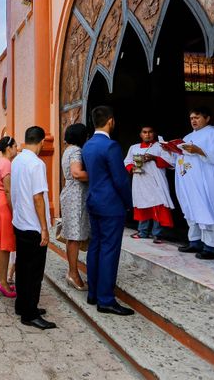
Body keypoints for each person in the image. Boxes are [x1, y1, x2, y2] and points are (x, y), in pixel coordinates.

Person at [168, 107, 214, 259]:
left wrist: (200, 151)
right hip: (191, 181)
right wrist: (173, 152)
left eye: (197, 117)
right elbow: (184, 159)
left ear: (207, 119)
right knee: (194, 211)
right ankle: (196, 241)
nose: (193, 120)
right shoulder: (188, 136)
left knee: (212, 211)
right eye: (191, 118)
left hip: (210, 182)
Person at [82, 106, 134, 316]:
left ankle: (93, 292)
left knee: (96, 246)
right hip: (110, 204)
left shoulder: (87, 145)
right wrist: (129, 202)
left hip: (94, 201)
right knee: (109, 250)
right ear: (110, 121)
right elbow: (120, 179)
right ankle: (105, 299)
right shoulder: (110, 146)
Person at [11, 126, 56, 330]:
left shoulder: (18, 160)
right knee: (34, 272)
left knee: (23, 267)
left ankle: (23, 305)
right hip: (33, 225)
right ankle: (30, 313)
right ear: (41, 142)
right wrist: (44, 228)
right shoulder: (36, 164)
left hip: (20, 222)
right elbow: (38, 197)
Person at [124, 124, 175, 243]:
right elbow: (127, 161)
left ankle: (157, 234)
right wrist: (132, 168)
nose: (147, 134)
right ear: (140, 134)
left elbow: (171, 163)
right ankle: (143, 232)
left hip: (156, 181)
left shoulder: (161, 147)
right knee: (142, 204)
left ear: (154, 133)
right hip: (140, 181)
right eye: (144, 132)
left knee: (158, 205)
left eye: (150, 132)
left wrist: (154, 158)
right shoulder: (134, 147)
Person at [59, 123, 90, 291]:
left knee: (73, 236)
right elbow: (77, 173)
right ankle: (73, 273)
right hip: (76, 195)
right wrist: (98, 174)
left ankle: (72, 271)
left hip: (70, 193)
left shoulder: (68, 150)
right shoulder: (76, 151)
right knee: (75, 237)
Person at [0, 136, 18, 298]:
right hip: (4, 206)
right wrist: (14, 212)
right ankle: (3, 282)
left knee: (1, 245)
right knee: (5, 246)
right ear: (9, 148)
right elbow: (8, 190)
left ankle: (0, 279)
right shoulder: (7, 163)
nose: (17, 149)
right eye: (15, 146)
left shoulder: (1, 161)